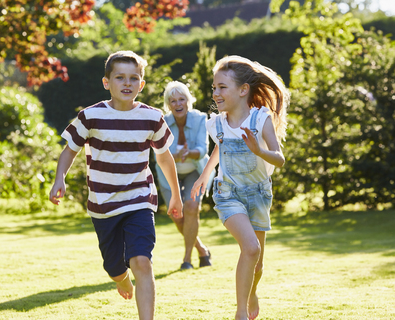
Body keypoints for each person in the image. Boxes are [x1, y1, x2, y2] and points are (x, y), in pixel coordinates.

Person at [49, 50, 183, 320]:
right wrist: (59, 178)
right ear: (106, 82)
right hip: (103, 205)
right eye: (120, 77)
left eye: (133, 78)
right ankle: (120, 278)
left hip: (140, 199)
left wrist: (176, 196)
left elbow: (165, 157)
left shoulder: (152, 117)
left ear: (141, 85)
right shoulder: (90, 116)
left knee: (142, 262)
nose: (127, 83)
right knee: (114, 267)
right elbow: (69, 150)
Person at [191, 55, 289, 320]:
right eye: (214, 87)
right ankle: (240, 313)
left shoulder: (260, 119)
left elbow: (279, 159)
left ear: (243, 90)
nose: (216, 93)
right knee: (251, 249)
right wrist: (205, 175)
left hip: (258, 194)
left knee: (257, 263)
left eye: (222, 87)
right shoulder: (218, 123)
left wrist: (259, 149)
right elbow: (220, 148)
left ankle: (252, 292)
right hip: (228, 194)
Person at [154, 81, 214, 270]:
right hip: (168, 174)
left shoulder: (200, 119)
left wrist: (190, 153)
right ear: (168, 104)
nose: (178, 104)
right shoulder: (161, 122)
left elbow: (203, 149)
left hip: (194, 171)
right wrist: (175, 155)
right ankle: (202, 250)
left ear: (188, 101)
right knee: (176, 215)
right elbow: (160, 152)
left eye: (182, 99)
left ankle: (187, 259)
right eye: (173, 101)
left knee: (191, 207)